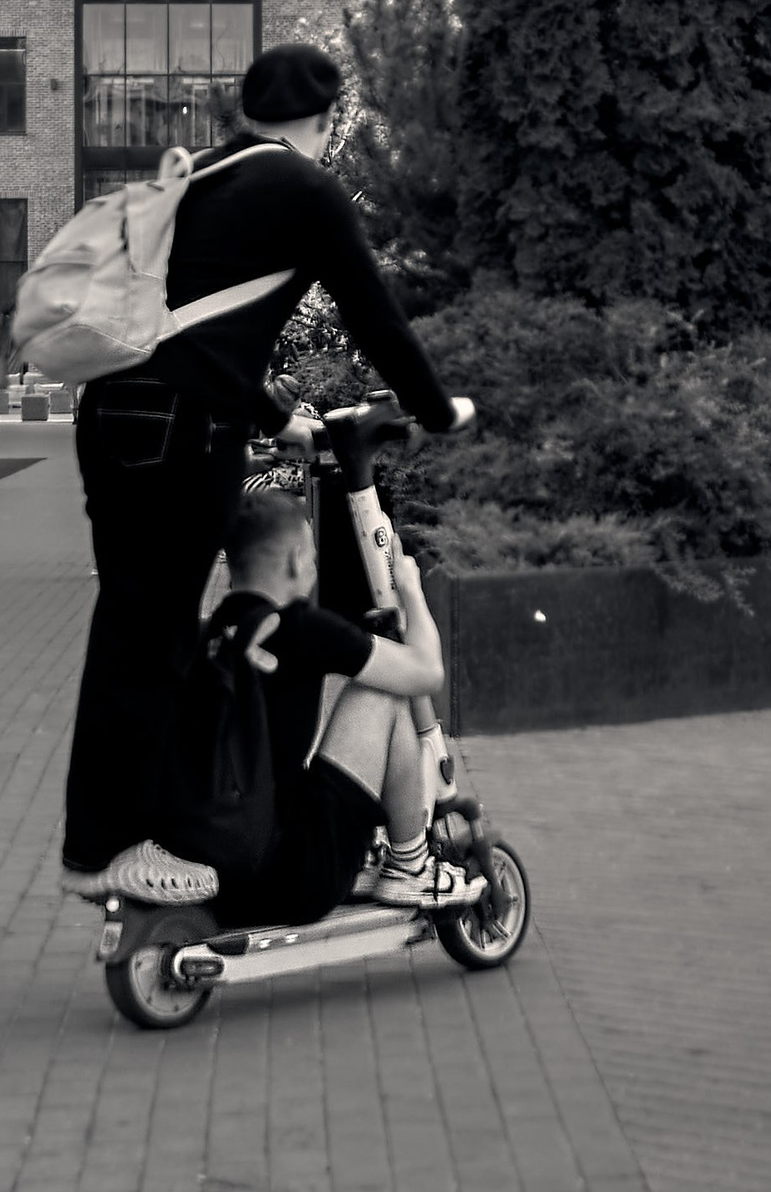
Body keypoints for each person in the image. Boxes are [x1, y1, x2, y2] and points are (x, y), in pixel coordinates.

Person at [58, 44, 470, 906]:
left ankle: (146, 834)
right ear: (326, 122)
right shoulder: (305, 189)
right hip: (177, 431)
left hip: (115, 417)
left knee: (141, 623)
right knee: (149, 630)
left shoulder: (204, 175)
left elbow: (190, 324)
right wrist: (435, 410)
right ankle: (106, 846)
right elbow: (376, 317)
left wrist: (276, 415)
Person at [162, 490, 483, 925]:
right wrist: (410, 589)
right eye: (312, 556)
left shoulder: (209, 635)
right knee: (382, 694)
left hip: (219, 881)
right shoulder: (302, 629)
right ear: (296, 561)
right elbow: (426, 673)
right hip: (294, 881)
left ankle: (376, 852)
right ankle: (411, 865)